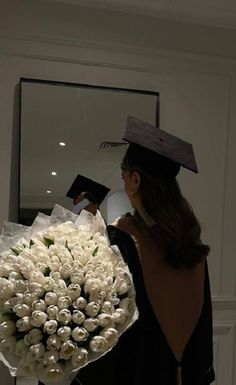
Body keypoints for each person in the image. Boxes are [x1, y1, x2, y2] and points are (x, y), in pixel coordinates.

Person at [72, 116, 215, 385]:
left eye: (124, 177)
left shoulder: (121, 240)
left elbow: (105, 335)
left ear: (135, 179)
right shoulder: (192, 245)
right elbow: (203, 339)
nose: (125, 184)